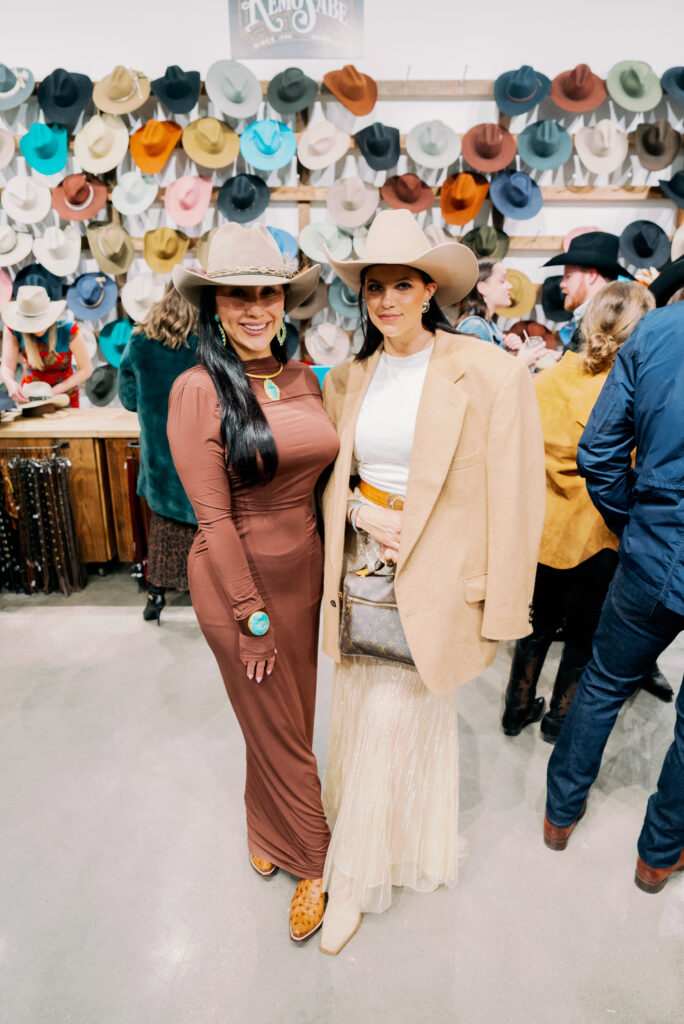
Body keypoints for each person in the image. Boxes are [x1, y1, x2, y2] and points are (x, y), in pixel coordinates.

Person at [318, 209, 545, 954]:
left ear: (429, 290)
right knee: (363, 713)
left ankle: (354, 878)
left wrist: (502, 607)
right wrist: (362, 512)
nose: (386, 300)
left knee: (397, 719)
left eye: (402, 285)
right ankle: (378, 839)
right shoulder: (348, 377)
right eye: (373, 287)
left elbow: (516, 494)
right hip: (363, 568)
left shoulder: (488, 373)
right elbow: (334, 477)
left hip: (439, 576)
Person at [167, 223, 339, 943]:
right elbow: (213, 519)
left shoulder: (302, 378)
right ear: (215, 304)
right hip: (238, 584)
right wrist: (250, 618)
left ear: (284, 301)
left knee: (286, 721)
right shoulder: (197, 390)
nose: (255, 308)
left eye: (267, 293)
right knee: (282, 732)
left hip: (304, 573)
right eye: (238, 295)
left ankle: (263, 822)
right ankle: (316, 863)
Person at [544, 301, 684, 895]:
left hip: (652, 548)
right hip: (653, 538)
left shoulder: (658, 329)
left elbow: (598, 451)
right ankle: (658, 855)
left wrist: (635, 522)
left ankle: (559, 815)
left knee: (602, 681)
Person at [502, 282, 655, 742]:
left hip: (543, 528)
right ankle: (559, 721)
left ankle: (516, 709)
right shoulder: (629, 391)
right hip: (597, 534)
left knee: (534, 626)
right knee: (583, 635)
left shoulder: (547, 377)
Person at [118, 282, 199, 624]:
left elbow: (128, 399)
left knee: (163, 529)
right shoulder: (208, 342)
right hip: (200, 456)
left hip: (160, 460)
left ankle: (156, 597)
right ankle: (206, 592)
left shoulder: (139, 340)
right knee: (206, 530)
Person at [1, 285, 92, 407]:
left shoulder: (67, 330)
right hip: (31, 394)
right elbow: (7, 366)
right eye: (30, 324)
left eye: (39, 322)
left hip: (65, 393)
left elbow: (86, 369)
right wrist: (10, 382)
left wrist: (54, 392)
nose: (36, 328)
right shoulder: (13, 330)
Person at [543, 230, 633, 351]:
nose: (562, 283)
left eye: (568, 276)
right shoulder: (602, 317)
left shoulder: (608, 327)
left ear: (591, 276)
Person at [454, 258, 547, 367]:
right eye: (502, 281)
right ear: (483, 288)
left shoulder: (489, 325)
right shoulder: (475, 327)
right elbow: (480, 376)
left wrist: (510, 353)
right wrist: (521, 361)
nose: (510, 286)